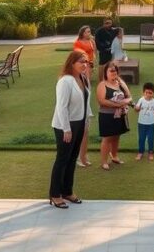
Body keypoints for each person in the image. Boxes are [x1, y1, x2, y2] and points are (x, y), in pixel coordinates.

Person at [49, 50, 92, 208]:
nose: (84, 64)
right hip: (64, 126)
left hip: (79, 123)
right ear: (72, 63)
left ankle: (67, 191)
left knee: (73, 158)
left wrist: (86, 121)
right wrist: (66, 129)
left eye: (86, 62)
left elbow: (85, 102)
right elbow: (61, 107)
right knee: (62, 159)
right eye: (81, 61)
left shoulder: (83, 78)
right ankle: (55, 194)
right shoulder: (65, 81)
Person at [96, 61, 132, 170]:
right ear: (105, 72)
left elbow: (129, 96)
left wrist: (122, 84)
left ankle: (114, 156)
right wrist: (119, 104)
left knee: (116, 136)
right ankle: (104, 161)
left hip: (120, 115)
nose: (113, 72)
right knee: (107, 138)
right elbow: (102, 101)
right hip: (107, 116)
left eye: (115, 70)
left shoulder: (119, 83)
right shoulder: (102, 85)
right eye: (111, 70)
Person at [73, 28, 97, 167]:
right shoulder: (72, 79)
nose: (85, 65)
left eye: (86, 63)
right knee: (79, 134)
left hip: (85, 112)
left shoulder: (86, 79)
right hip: (77, 114)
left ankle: (83, 156)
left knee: (86, 133)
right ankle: (77, 157)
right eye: (83, 63)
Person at [134, 81, 154, 161]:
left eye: (150, 93)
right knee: (141, 138)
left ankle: (150, 152)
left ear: (153, 93)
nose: (148, 94)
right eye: (146, 92)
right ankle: (140, 152)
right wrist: (136, 107)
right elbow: (136, 110)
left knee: (151, 138)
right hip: (141, 123)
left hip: (151, 124)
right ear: (143, 92)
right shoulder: (141, 100)